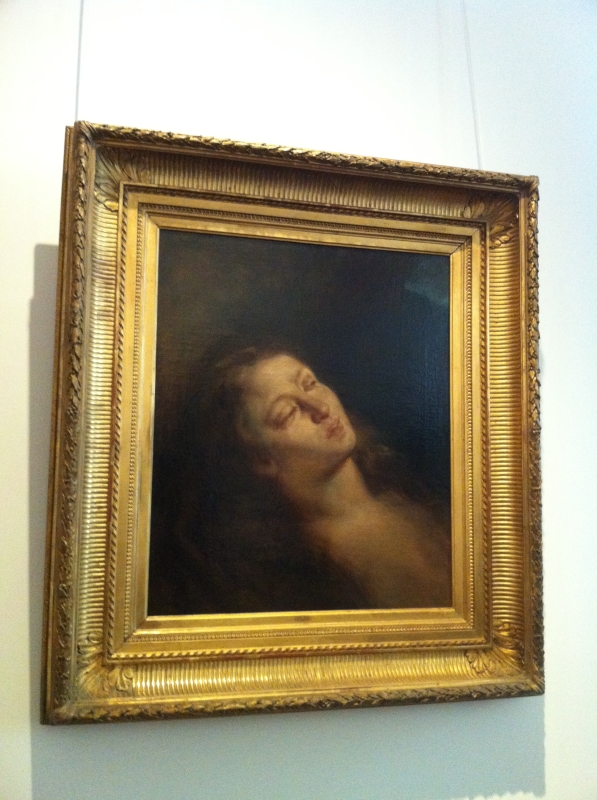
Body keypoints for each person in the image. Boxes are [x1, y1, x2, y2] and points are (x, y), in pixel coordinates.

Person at [148, 345, 451, 615]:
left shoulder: (405, 489)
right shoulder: (306, 574)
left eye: (310, 383)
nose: (320, 408)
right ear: (262, 459)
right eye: (288, 413)